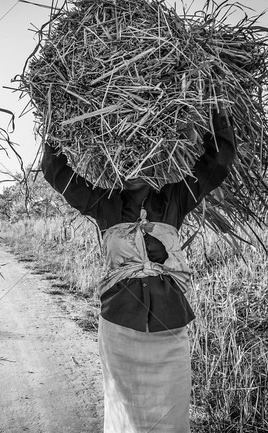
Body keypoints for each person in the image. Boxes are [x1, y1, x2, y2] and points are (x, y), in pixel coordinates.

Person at [41, 92, 236, 432]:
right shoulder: (104, 204)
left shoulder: (175, 199)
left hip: (169, 328)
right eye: (124, 157)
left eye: (139, 155)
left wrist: (214, 114)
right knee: (125, 413)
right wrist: (56, 120)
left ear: (154, 158)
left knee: (171, 414)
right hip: (119, 328)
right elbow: (55, 173)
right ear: (112, 161)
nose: (132, 165)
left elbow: (217, 164)